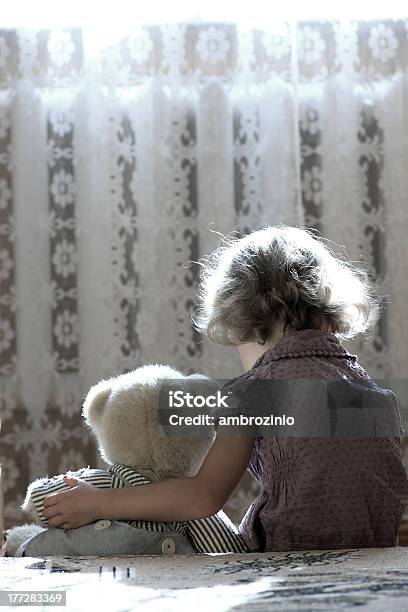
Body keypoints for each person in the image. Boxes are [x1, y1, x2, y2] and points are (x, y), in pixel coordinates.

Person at [43, 225, 408, 551]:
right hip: (377, 551)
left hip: (295, 557)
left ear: (244, 322)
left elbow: (202, 497)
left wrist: (97, 503)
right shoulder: (371, 392)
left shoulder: (258, 391)